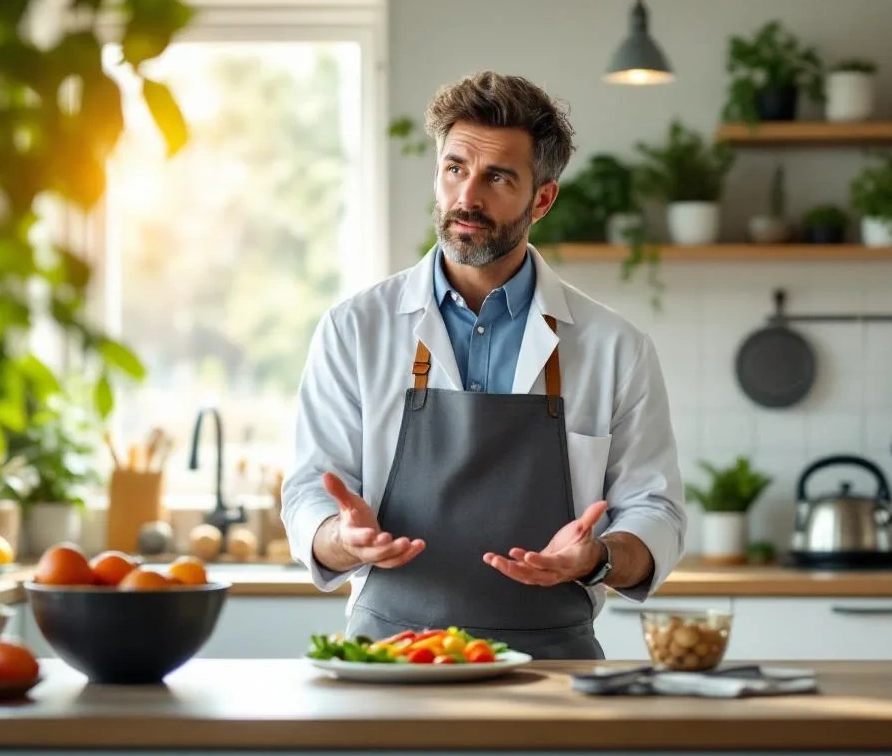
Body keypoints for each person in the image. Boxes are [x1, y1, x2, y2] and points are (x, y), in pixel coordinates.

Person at [280, 71, 686, 660]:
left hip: (555, 668)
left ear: (541, 199)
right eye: (455, 168)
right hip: (390, 660)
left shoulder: (614, 347)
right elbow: (307, 493)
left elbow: (657, 511)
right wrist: (342, 539)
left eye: (497, 177)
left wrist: (600, 556)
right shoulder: (355, 329)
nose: (467, 197)